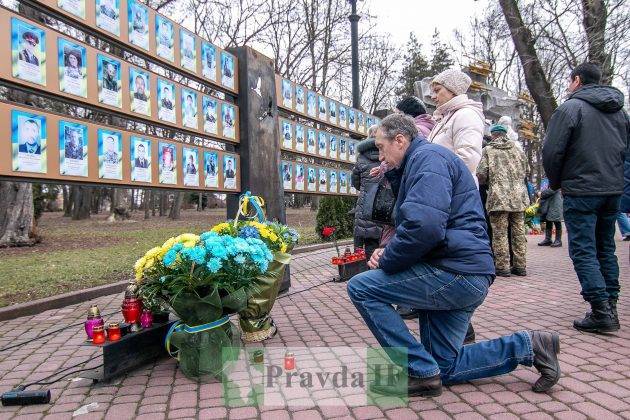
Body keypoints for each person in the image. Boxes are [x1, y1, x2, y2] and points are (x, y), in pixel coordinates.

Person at [347, 114, 561, 397]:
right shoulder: (420, 162)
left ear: (400, 140)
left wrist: (387, 258)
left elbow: (425, 226)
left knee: (362, 287)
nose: (380, 155)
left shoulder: (427, 160)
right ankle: (531, 346)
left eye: (381, 146)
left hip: (455, 272)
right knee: (443, 368)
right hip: (463, 272)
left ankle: (419, 370)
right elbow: (423, 221)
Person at [542, 62, 629, 334]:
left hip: (581, 189)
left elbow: (552, 151)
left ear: (577, 80)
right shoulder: (619, 112)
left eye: (570, 80)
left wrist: (556, 183)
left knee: (583, 249)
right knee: (605, 247)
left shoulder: (570, 109)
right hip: (612, 189)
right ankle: (610, 304)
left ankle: (600, 309)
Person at [477, 124, 529, 277]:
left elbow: (481, 174)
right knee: (519, 232)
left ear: (493, 135)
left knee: (500, 233)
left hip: (498, 198)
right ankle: (520, 266)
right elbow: (527, 171)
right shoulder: (518, 150)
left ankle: (502, 267)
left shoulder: (488, 150)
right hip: (519, 197)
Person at [427, 68, 485, 180]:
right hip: (444, 187)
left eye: (437, 90)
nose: (433, 96)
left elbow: (468, 159)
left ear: (452, 90)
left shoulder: (466, 115)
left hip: (455, 191)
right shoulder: (445, 118)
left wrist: (433, 176)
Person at [351, 126, 384, 259]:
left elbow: (356, 182)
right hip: (385, 205)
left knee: (365, 245)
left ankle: (363, 272)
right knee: (381, 244)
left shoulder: (361, 157)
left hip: (365, 205)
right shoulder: (388, 152)